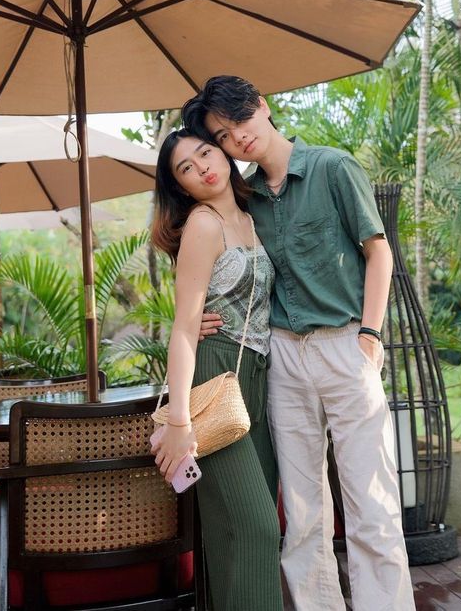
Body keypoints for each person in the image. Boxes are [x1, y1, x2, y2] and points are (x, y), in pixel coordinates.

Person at [183, 76, 415, 611]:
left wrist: (371, 337)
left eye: (239, 119)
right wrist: (193, 318)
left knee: (370, 503)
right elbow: (223, 268)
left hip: (345, 345)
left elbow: (378, 252)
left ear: (262, 106)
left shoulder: (333, 167)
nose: (236, 137)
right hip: (284, 355)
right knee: (305, 509)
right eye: (221, 134)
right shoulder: (246, 198)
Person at [149, 128, 283, 611]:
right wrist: (181, 420)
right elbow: (185, 328)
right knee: (257, 527)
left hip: (257, 377)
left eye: (205, 152)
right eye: (186, 167)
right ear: (182, 187)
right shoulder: (204, 225)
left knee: (236, 529)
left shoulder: (252, 217)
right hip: (217, 370)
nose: (202, 166)